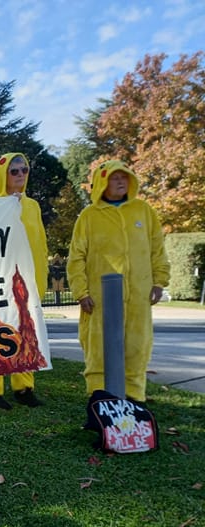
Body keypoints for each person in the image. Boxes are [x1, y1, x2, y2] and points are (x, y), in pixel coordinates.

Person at [66, 160, 169, 403]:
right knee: (98, 350)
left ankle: (134, 401)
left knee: (136, 347)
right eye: (114, 177)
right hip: (100, 299)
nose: (121, 181)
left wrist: (159, 281)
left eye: (125, 176)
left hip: (138, 296)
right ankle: (100, 402)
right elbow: (76, 257)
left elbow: (157, 248)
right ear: (102, 182)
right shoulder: (89, 217)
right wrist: (81, 292)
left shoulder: (143, 211)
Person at [0, 152, 49, 409]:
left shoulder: (33, 206)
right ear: (2, 175)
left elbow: (39, 244)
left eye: (24, 169)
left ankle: (24, 388)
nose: (20, 174)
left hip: (29, 281)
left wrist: (40, 278)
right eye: (14, 170)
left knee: (27, 333)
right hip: (0, 281)